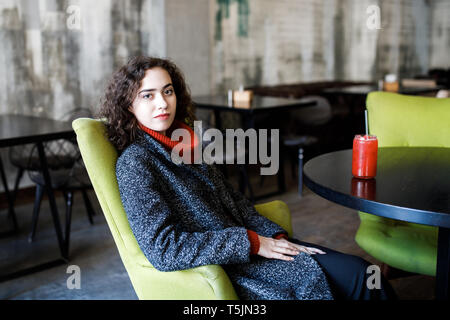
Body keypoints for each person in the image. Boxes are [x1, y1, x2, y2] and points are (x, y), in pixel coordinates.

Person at [100, 56, 397, 300]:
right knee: (359, 279)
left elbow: (236, 202)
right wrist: (253, 244)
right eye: (147, 96)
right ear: (129, 105)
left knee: (364, 274)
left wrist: (276, 238)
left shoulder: (184, 143)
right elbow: (165, 249)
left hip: (252, 249)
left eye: (167, 91)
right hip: (228, 267)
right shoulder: (136, 163)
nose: (162, 103)